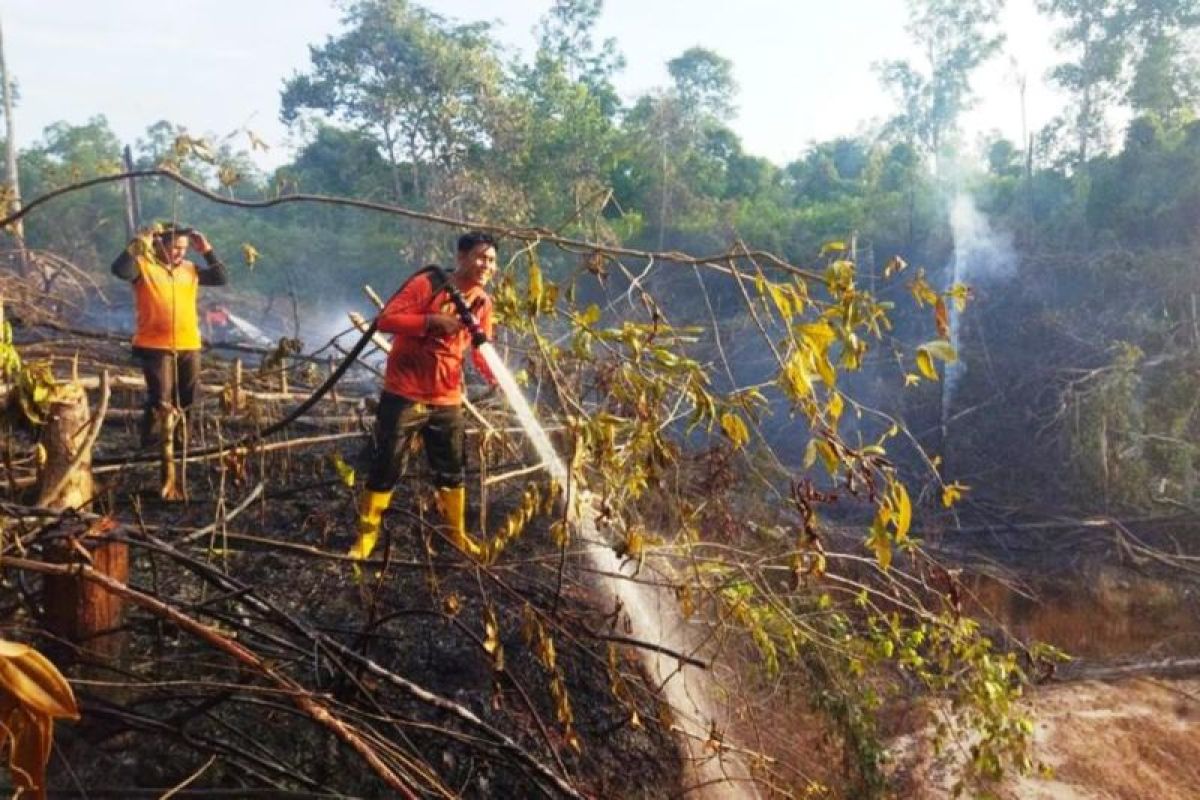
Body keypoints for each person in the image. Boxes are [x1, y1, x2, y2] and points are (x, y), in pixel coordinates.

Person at [349, 231, 500, 564]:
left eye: (491, 261)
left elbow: (480, 348)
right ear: (461, 257)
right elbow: (385, 320)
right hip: (404, 392)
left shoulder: (482, 302)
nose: (486, 266)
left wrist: (495, 376)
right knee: (385, 465)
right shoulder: (429, 283)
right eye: (480, 257)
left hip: (446, 397)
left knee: (452, 469)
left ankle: (455, 535)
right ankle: (366, 537)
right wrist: (431, 321)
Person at [111, 222, 228, 446]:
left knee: (188, 398)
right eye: (174, 247)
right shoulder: (143, 266)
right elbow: (120, 270)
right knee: (161, 399)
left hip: (189, 344)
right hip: (155, 345)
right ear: (158, 244)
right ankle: (153, 444)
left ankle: (182, 442)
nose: (179, 253)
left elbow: (221, 277)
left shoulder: (190, 269)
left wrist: (206, 250)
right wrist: (139, 242)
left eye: (184, 248)